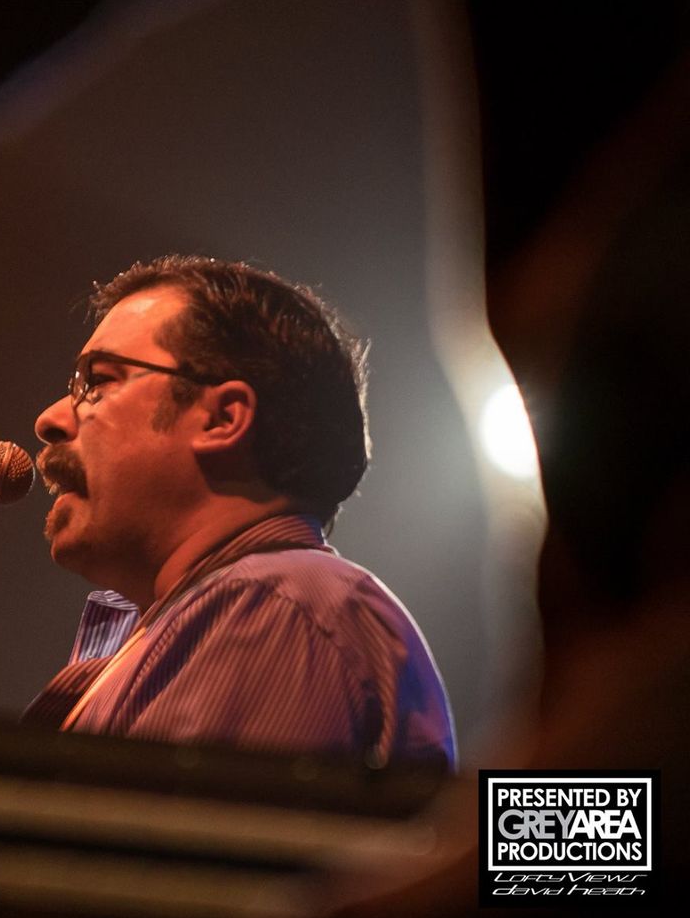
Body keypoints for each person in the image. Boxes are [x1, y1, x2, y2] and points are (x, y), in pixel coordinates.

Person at [24, 257, 455, 768]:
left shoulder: (273, 605)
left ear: (222, 418)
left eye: (98, 381)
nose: (49, 419)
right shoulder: (236, 612)